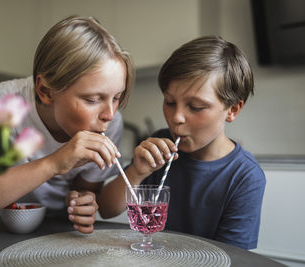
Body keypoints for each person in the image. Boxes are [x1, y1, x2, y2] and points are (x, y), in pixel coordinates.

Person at [97, 35, 266, 249]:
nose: (177, 117)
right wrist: (137, 172)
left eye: (195, 107)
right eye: (169, 102)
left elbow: (232, 257)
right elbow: (106, 209)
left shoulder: (244, 176)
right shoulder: (161, 144)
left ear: (232, 110)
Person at [0, 15, 134, 234]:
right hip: (0, 227)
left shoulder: (110, 123)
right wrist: (56, 162)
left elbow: (85, 190)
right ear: (45, 91)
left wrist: (83, 202)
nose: (109, 114)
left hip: (60, 230)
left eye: (116, 97)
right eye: (93, 99)